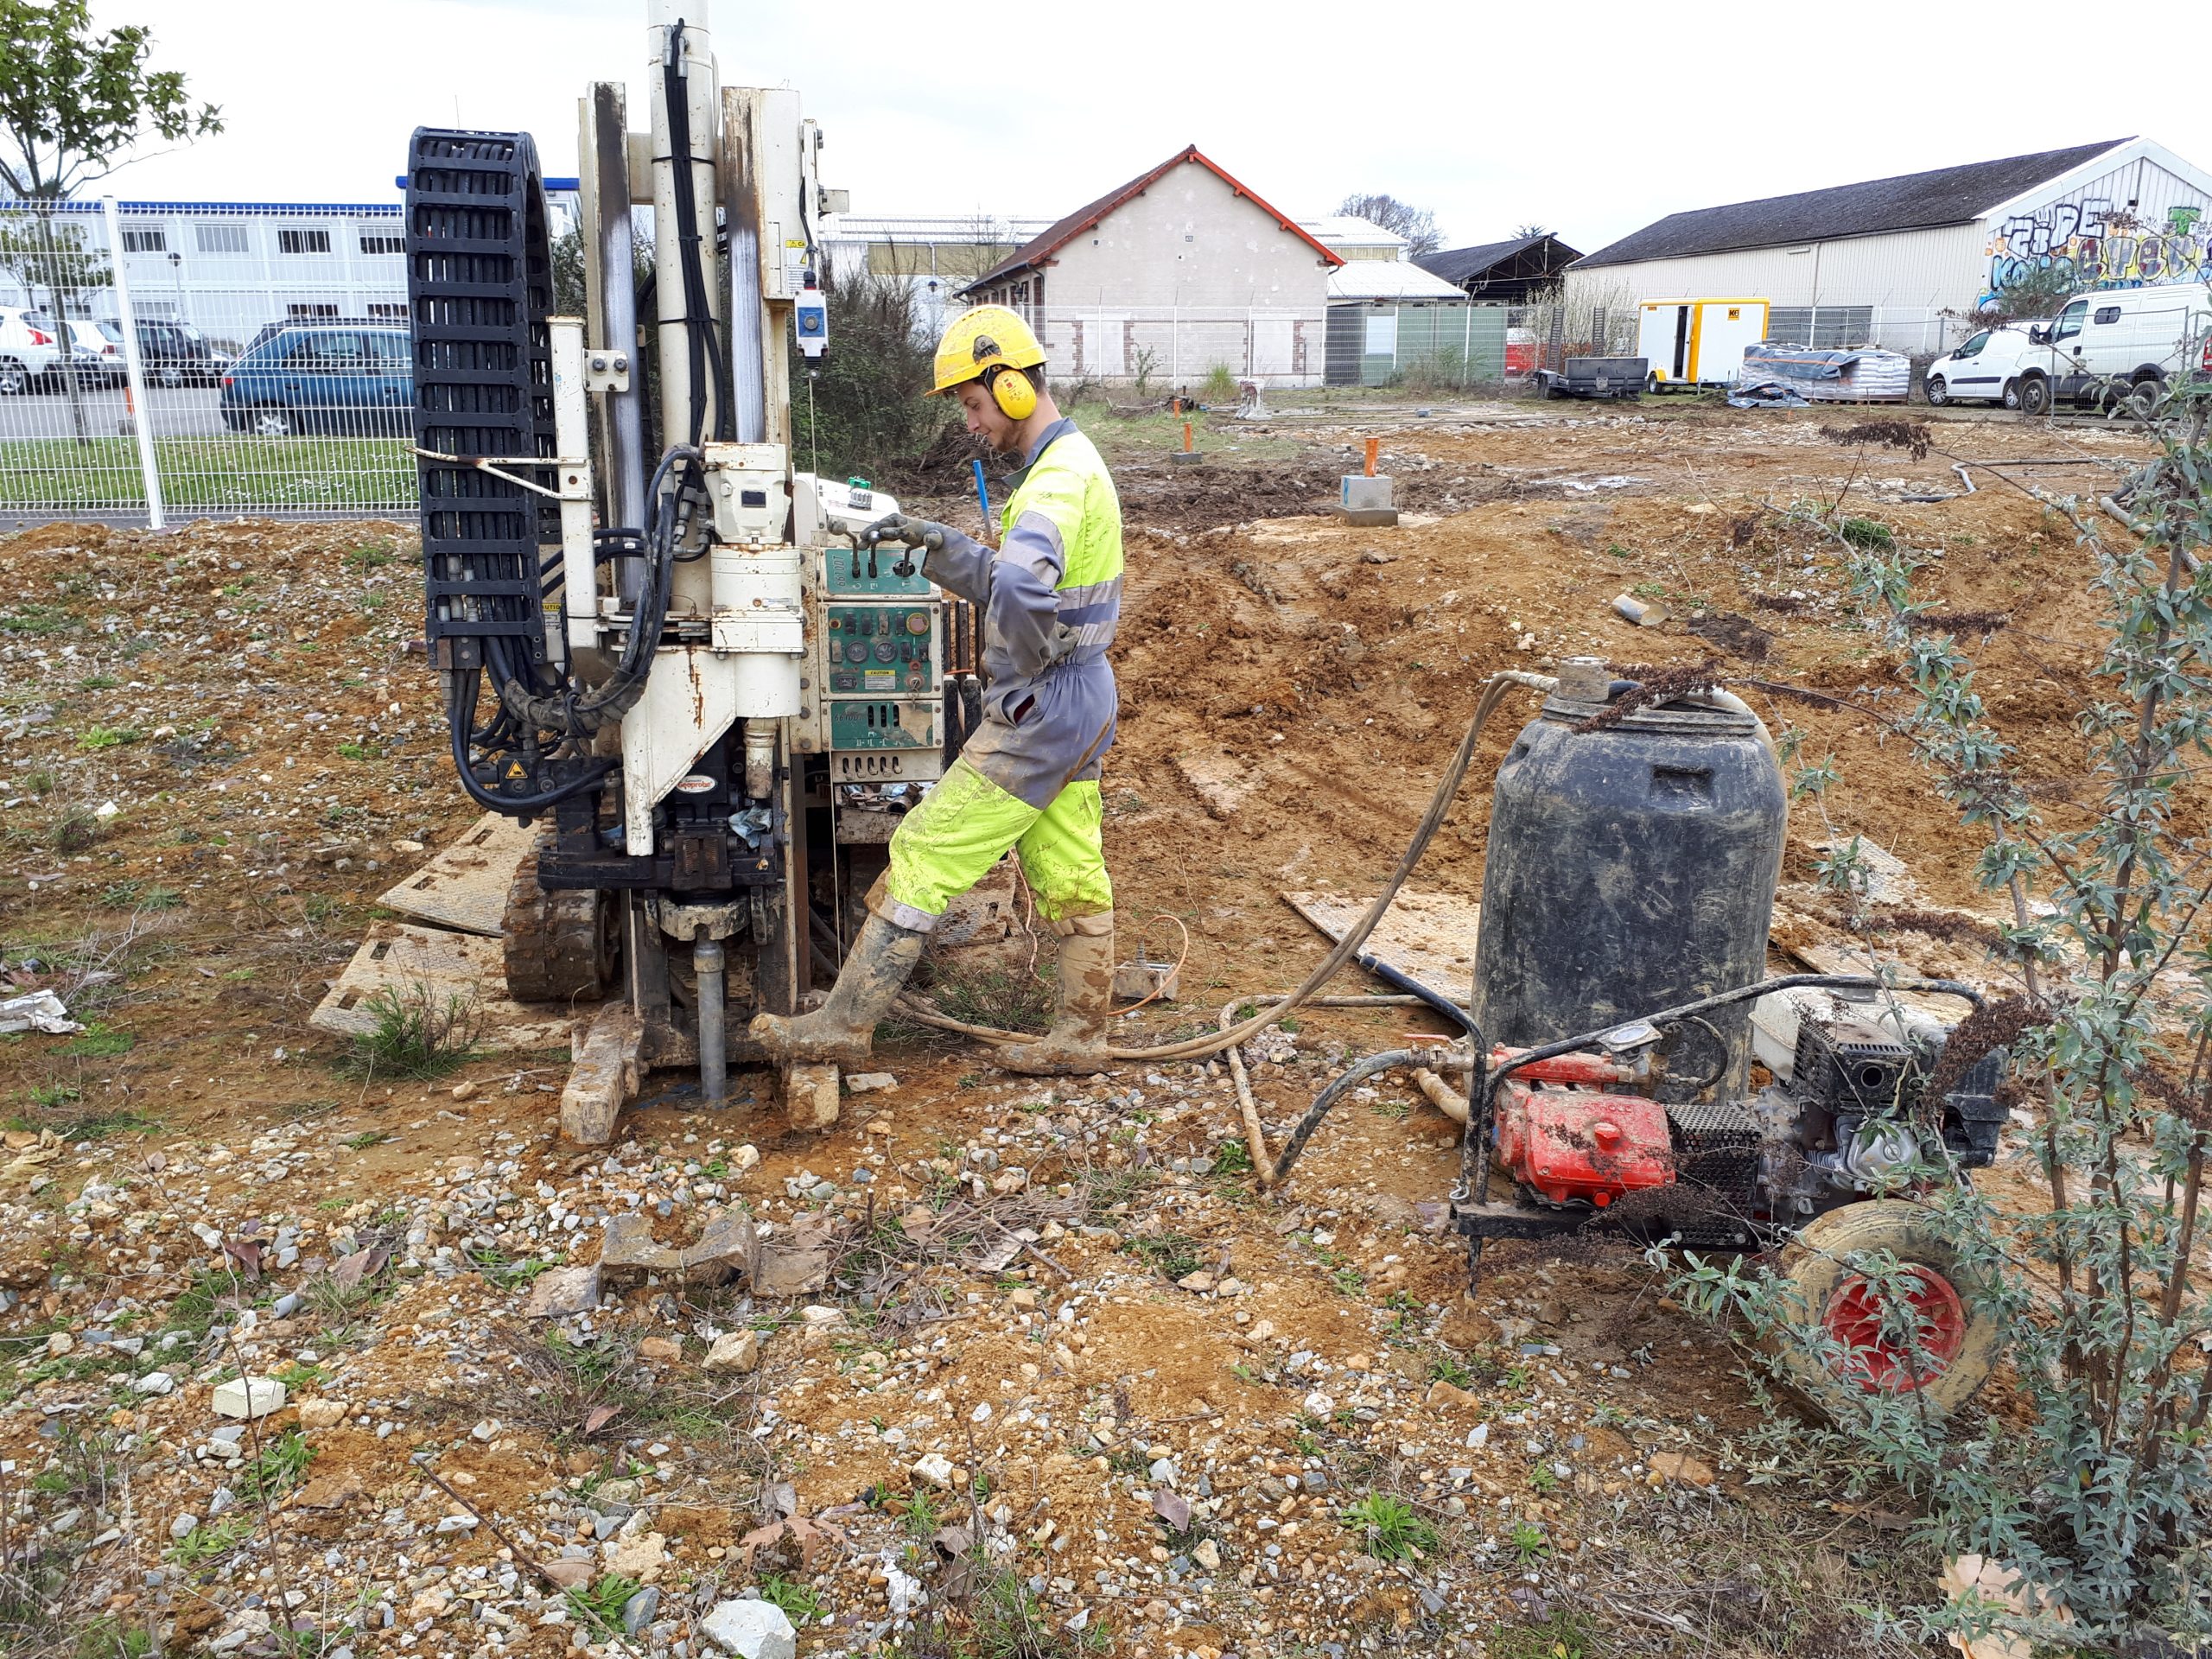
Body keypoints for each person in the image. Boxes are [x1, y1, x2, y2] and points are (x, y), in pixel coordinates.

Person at [751, 305, 1122, 1076]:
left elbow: (1019, 593)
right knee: (1068, 863)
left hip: (1043, 707)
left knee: (923, 849)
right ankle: (1080, 1039)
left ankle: (842, 1028)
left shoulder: (1054, 482)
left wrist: (1016, 685)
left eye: (972, 403)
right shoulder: (1077, 463)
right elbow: (1003, 578)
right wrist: (940, 544)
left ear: (1014, 388)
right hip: (1083, 697)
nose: (971, 423)